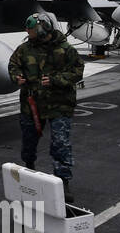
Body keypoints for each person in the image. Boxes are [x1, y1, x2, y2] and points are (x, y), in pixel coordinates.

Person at [7, 13, 84, 199]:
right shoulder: (24, 49)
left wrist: (56, 80)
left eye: (31, 28)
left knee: (60, 144)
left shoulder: (65, 50)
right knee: (29, 142)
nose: (27, 31)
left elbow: (77, 71)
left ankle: (63, 183)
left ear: (42, 28)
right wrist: (16, 77)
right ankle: (29, 170)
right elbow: (13, 65)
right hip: (31, 105)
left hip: (59, 105)